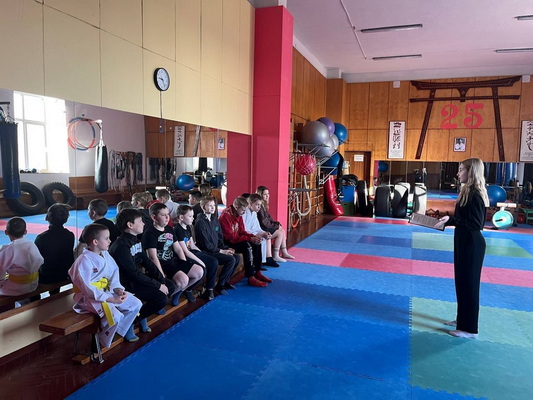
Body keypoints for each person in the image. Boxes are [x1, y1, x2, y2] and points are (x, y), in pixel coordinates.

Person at [435, 158, 489, 339]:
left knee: (470, 285)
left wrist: (452, 221)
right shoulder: (467, 191)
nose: (458, 174)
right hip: (463, 241)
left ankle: (470, 329)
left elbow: (476, 224)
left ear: (471, 172)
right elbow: (464, 218)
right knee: (462, 282)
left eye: (461, 170)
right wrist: (449, 219)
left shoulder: (475, 194)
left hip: (472, 244)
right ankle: (462, 319)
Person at [69, 223, 142, 347]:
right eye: (107, 238)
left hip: (108, 291)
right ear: (95, 242)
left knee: (136, 304)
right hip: (90, 298)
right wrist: (111, 299)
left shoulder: (105, 254)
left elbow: (114, 273)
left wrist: (118, 289)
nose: (110, 241)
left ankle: (117, 331)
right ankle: (103, 340)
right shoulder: (83, 261)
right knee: (115, 317)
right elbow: (87, 288)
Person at [110, 209, 176, 333]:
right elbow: (133, 273)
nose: (143, 224)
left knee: (170, 285)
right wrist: (157, 285)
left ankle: (141, 314)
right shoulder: (121, 247)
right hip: (125, 284)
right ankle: (131, 321)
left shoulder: (136, 240)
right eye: (140, 221)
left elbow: (147, 262)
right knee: (161, 298)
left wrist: (161, 280)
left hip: (136, 279)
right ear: (130, 225)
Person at [142, 203, 204, 306]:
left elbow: (178, 248)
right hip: (162, 263)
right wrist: (161, 275)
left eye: (168, 214)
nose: (167, 218)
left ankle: (176, 294)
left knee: (199, 272)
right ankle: (161, 300)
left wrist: (184, 263)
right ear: (154, 217)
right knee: (183, 280)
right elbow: (152, 257)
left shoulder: (169, 229)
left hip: (172, 260)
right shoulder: (150, 233)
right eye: (163, 215)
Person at [219, 196, 271, 287]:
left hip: (236, 239)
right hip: (227, 242)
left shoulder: (238, 215)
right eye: (243, 210)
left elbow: (242, 231)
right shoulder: (225, 216)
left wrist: (253, 237)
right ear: (236, 207)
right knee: (247, 246)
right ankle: (250, 276)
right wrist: (249, 239)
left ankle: (258, 271)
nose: (244, 213)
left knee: (257, 242)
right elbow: (231, 237)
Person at [194, 196, 240, 296]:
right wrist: (222, 251)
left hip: (216, 250)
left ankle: (225, 281)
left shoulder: (214, 220)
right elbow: (206, 245)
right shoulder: (200, 222)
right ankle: (219, 285)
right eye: (209, 206)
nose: (212, 208)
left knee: (236, 257)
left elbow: (219, 238)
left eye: (214, 205)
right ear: (203, 207)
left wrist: (226, 248)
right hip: (207, 252)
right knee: (230, 260)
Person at [174, 205, 221, 300]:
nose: (193, 218)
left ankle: (209, 289)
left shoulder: (188, 227)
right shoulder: (178, 230)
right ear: (181, 217)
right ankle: (188, 289)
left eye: (193, 216)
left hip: (192, 252)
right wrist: (201, 261)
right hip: (185, 255)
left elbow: (192, 244)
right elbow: (185, 251)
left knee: (213, 261)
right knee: (203, 269)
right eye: (190, 216)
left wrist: (202, 254)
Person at [34, 203, 75, 294]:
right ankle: (54, 294)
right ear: (66, 219)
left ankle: (34, 300)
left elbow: (35, 259)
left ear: (46, 218)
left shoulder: (41, 238)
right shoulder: (70, 235)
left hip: (47, 276)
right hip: (64, 273)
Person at [0, 217, 44, 296]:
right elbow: (40, 261)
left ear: (6, 232)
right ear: (25, 232)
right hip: (34, 284)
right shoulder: (32, 245)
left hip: (16, 288)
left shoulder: (7, 249)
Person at [256, 186, 294, 261]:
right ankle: (275, 255)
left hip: (265, 226)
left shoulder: (263, 205)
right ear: (260, 195)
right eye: (265, 194)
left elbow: (269, 218)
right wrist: (276, 226)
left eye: (268, 194)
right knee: (280, 233)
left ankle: (284, 252)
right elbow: (264, 222)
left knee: (282, 230)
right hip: (262, 228)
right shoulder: (259, 207)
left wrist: (277, 224)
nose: (267, 196)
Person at [243, 193, 279, 268]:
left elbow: (257, 227)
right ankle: (257, 264)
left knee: (264, 237)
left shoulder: (254, 213)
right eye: (257, 205)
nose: (259, 207)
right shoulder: (244, 213)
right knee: (259, 239)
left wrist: (264, 233)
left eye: (260, 205)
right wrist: (256, 234)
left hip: (253, 233)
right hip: (246, 234)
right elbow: (244, 229)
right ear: (250, 204)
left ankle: (262, 262)